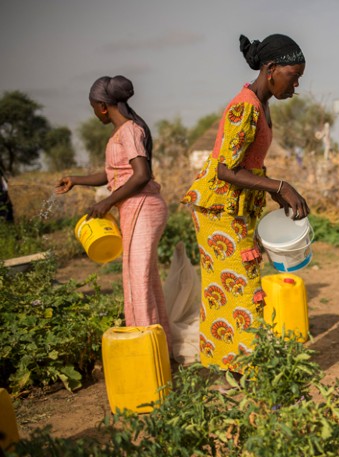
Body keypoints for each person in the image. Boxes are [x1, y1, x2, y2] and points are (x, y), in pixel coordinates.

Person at [181, 34, 310, 371]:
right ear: (270, 69)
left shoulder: (260, 104)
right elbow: (226, 169)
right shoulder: (246, 106)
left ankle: (228, 369)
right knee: (243, 287)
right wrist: (279, 184)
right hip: (219, 210)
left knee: (224, 291)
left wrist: (273, 190)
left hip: (234, 209)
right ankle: (255, 373)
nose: (296, 87)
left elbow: (245, 164)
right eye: (292, 77)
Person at [56, 75, 170, 340]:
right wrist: (76, 180)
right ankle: (158, 343)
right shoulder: (123, 132)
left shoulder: (129, 130)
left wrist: (107, 201)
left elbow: (141, 174)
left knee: (138, 280)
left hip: (142, 206)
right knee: (144, 278)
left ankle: (145, 341)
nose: (95, 113)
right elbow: (114, 175)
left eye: (94, 108)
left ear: (102, 105)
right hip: (135, 207)